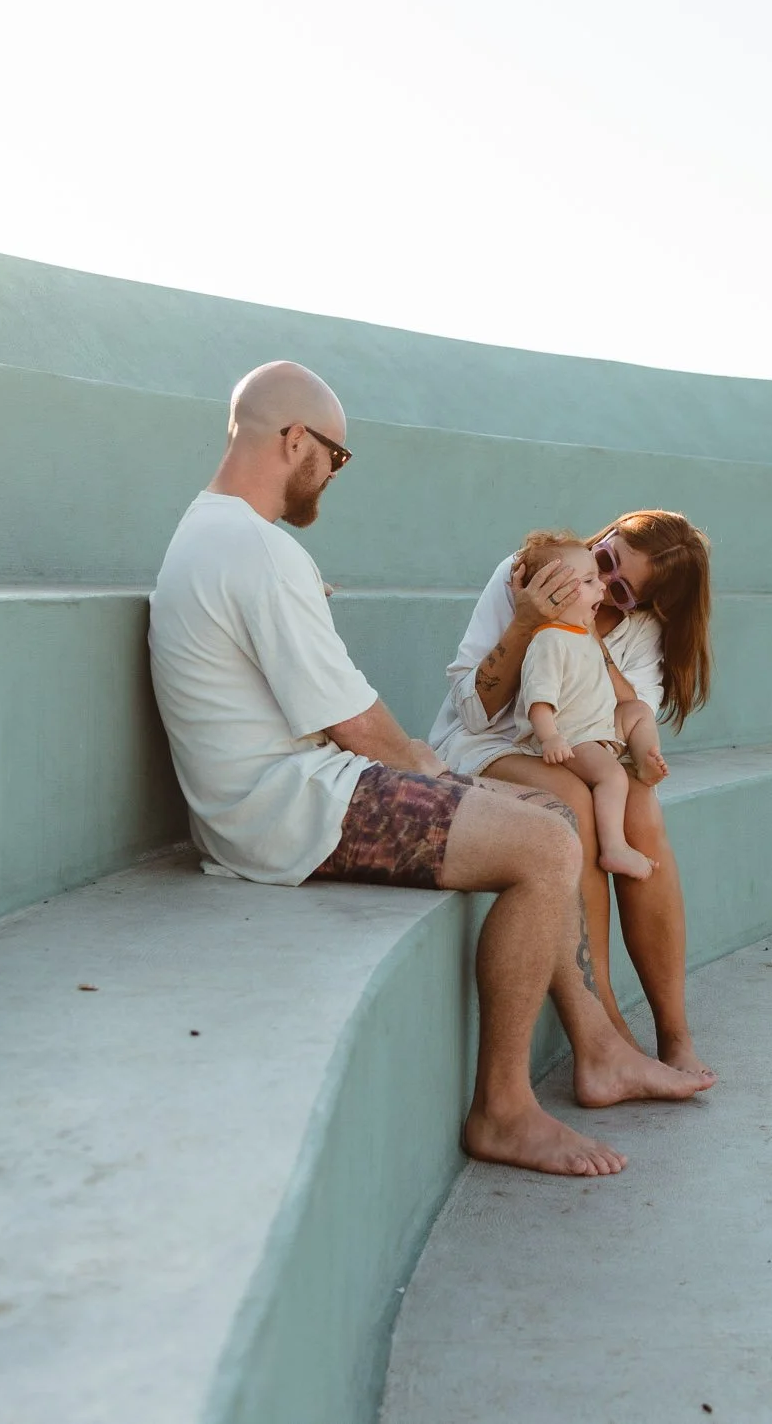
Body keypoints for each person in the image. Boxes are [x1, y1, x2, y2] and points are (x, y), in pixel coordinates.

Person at [146, 361, 712, 1179]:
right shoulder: (255, 549)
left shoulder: (219, 534)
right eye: (335, 456)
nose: (333, 473)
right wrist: (435, 773)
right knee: (546, 843)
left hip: (284, 793)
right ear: (295, 440)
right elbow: (358, 728)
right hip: (287, 812)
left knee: (551, 820)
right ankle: (504, 1112)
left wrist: (435, 772)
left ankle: (600, 1049)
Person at [429, 509, 715, 1080]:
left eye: (623, 589)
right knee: (575, 806)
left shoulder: (638, 627)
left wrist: (589, 635)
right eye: (605, 559)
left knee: (641, 811)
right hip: (490, 743)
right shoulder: (524, 575)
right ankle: (607, 1035)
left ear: (649, 605)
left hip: (580, 748)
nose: (603, 582)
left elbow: (626, 721)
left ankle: (674, 1034)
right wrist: (527, 621)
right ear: (603, 537)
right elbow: (475, 713)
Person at [507, 529, 658, 881]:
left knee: (638, 712)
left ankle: (646, 759)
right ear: (555, 593)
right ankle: (614, 848)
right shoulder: (549, 639)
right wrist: (550, 738)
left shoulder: (580, 632)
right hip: (570, 735)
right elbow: (539, 698)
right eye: (590, 581)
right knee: (612, 777)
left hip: (593, 727)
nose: (602, 586)